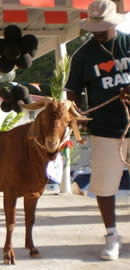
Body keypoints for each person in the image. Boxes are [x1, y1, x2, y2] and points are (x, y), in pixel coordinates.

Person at [64, 0, 130, 260]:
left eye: (103, 27)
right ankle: (112, 235)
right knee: (104, 187)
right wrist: (75, 114)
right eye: (95, 28)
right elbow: (72, 92)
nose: (99, 32)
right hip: (103, 129)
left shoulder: (128, 43)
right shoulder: (83, 55)